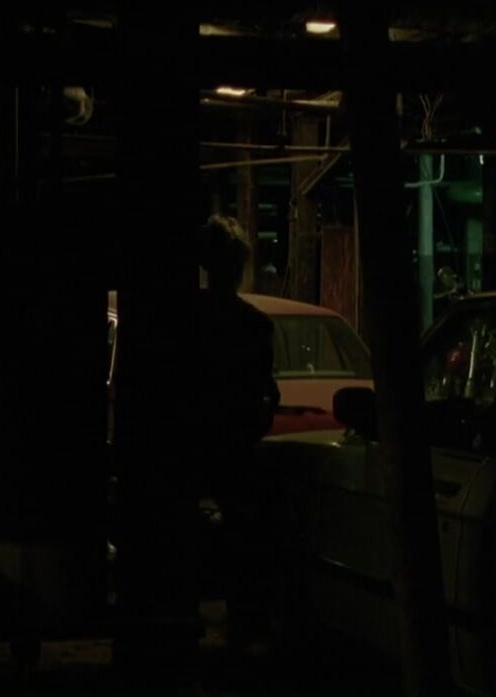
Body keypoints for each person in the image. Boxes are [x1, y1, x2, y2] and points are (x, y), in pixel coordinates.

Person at [192, 215, 281, 656]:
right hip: (235, 445)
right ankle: (243, 623)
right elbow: (267, 394)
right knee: (244, 537)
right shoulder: (255, 325)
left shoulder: (187, 321)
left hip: (193, 443)